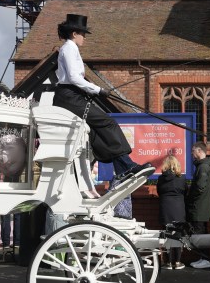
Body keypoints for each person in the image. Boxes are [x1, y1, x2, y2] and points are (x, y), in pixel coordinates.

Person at [51, 14, 153, 185]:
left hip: (72, 96)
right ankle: (127, 166)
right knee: (108, 122)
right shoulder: (69, 48)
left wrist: (93, 91)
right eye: (83, 34)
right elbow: (74, 78)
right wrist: (98, 89)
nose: (84, 38)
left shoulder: (72, 48)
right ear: (75, 33)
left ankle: (123, 168)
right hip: (69, 97)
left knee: (99, 130)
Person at [186, 142, 210, 269]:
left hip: (199, 206)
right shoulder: (204, 166)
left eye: (193, 151)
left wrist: (190, 197)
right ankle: (204, 258)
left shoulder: (203, 167)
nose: (192, 153)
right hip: (203, 206)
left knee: (200, 234)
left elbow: (200, 187)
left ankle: (206, 259)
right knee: (201, 233)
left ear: (199, 151)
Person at [156, 154, 187, 269]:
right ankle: (178, 262)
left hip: (165, 207)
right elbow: (185, 192)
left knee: (167, 234)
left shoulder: (161, 178)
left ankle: (168, 262)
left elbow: (159, 192)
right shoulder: (182, 178)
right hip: (179, 208)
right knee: (178, 234)